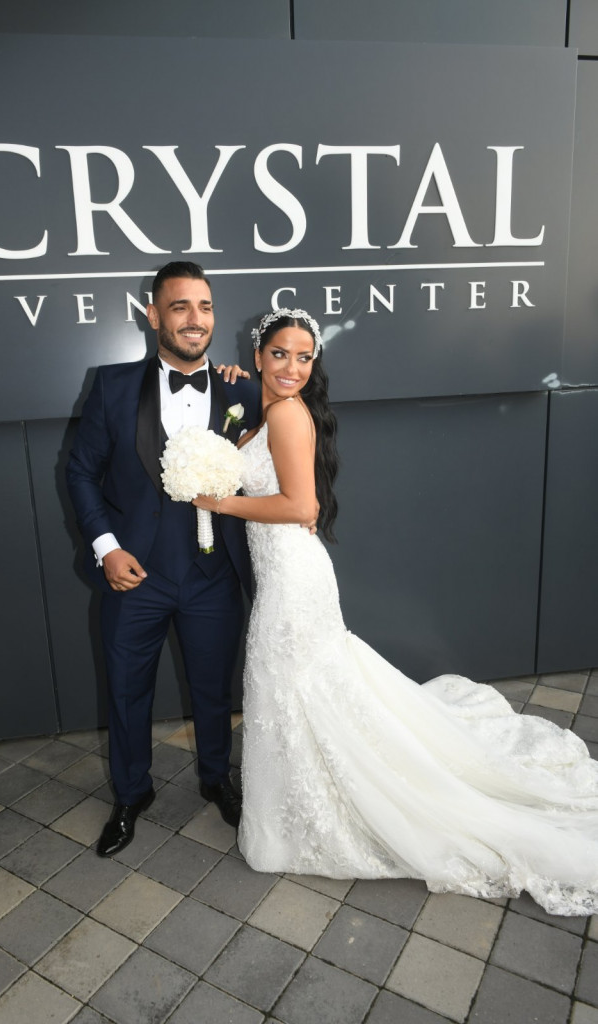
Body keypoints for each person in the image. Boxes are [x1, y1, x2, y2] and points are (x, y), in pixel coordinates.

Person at [193, 308, 598, 916]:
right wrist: (238, 389)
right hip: (287, 571)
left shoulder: (286, 413)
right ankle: (298, 804)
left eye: (304, 357)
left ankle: (308, 813)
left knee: (292, 684)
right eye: (279, 354)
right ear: (257, 356)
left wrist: (220, 503)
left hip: (293, 577)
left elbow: (301, 506)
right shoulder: (270, 406)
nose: (292, 367)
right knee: (295, 688)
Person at [66, 261, 260, 856]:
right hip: (135, 577)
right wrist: (107, 548)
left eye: (204, 307)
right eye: (179, 307)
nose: (194, 319)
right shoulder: (112, 386)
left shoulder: (242, 391)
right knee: (126, 692)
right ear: (153, 316)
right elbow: (80, 472)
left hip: (213, 576)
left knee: (214, 690)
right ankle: (131, 795)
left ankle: (216, 779)